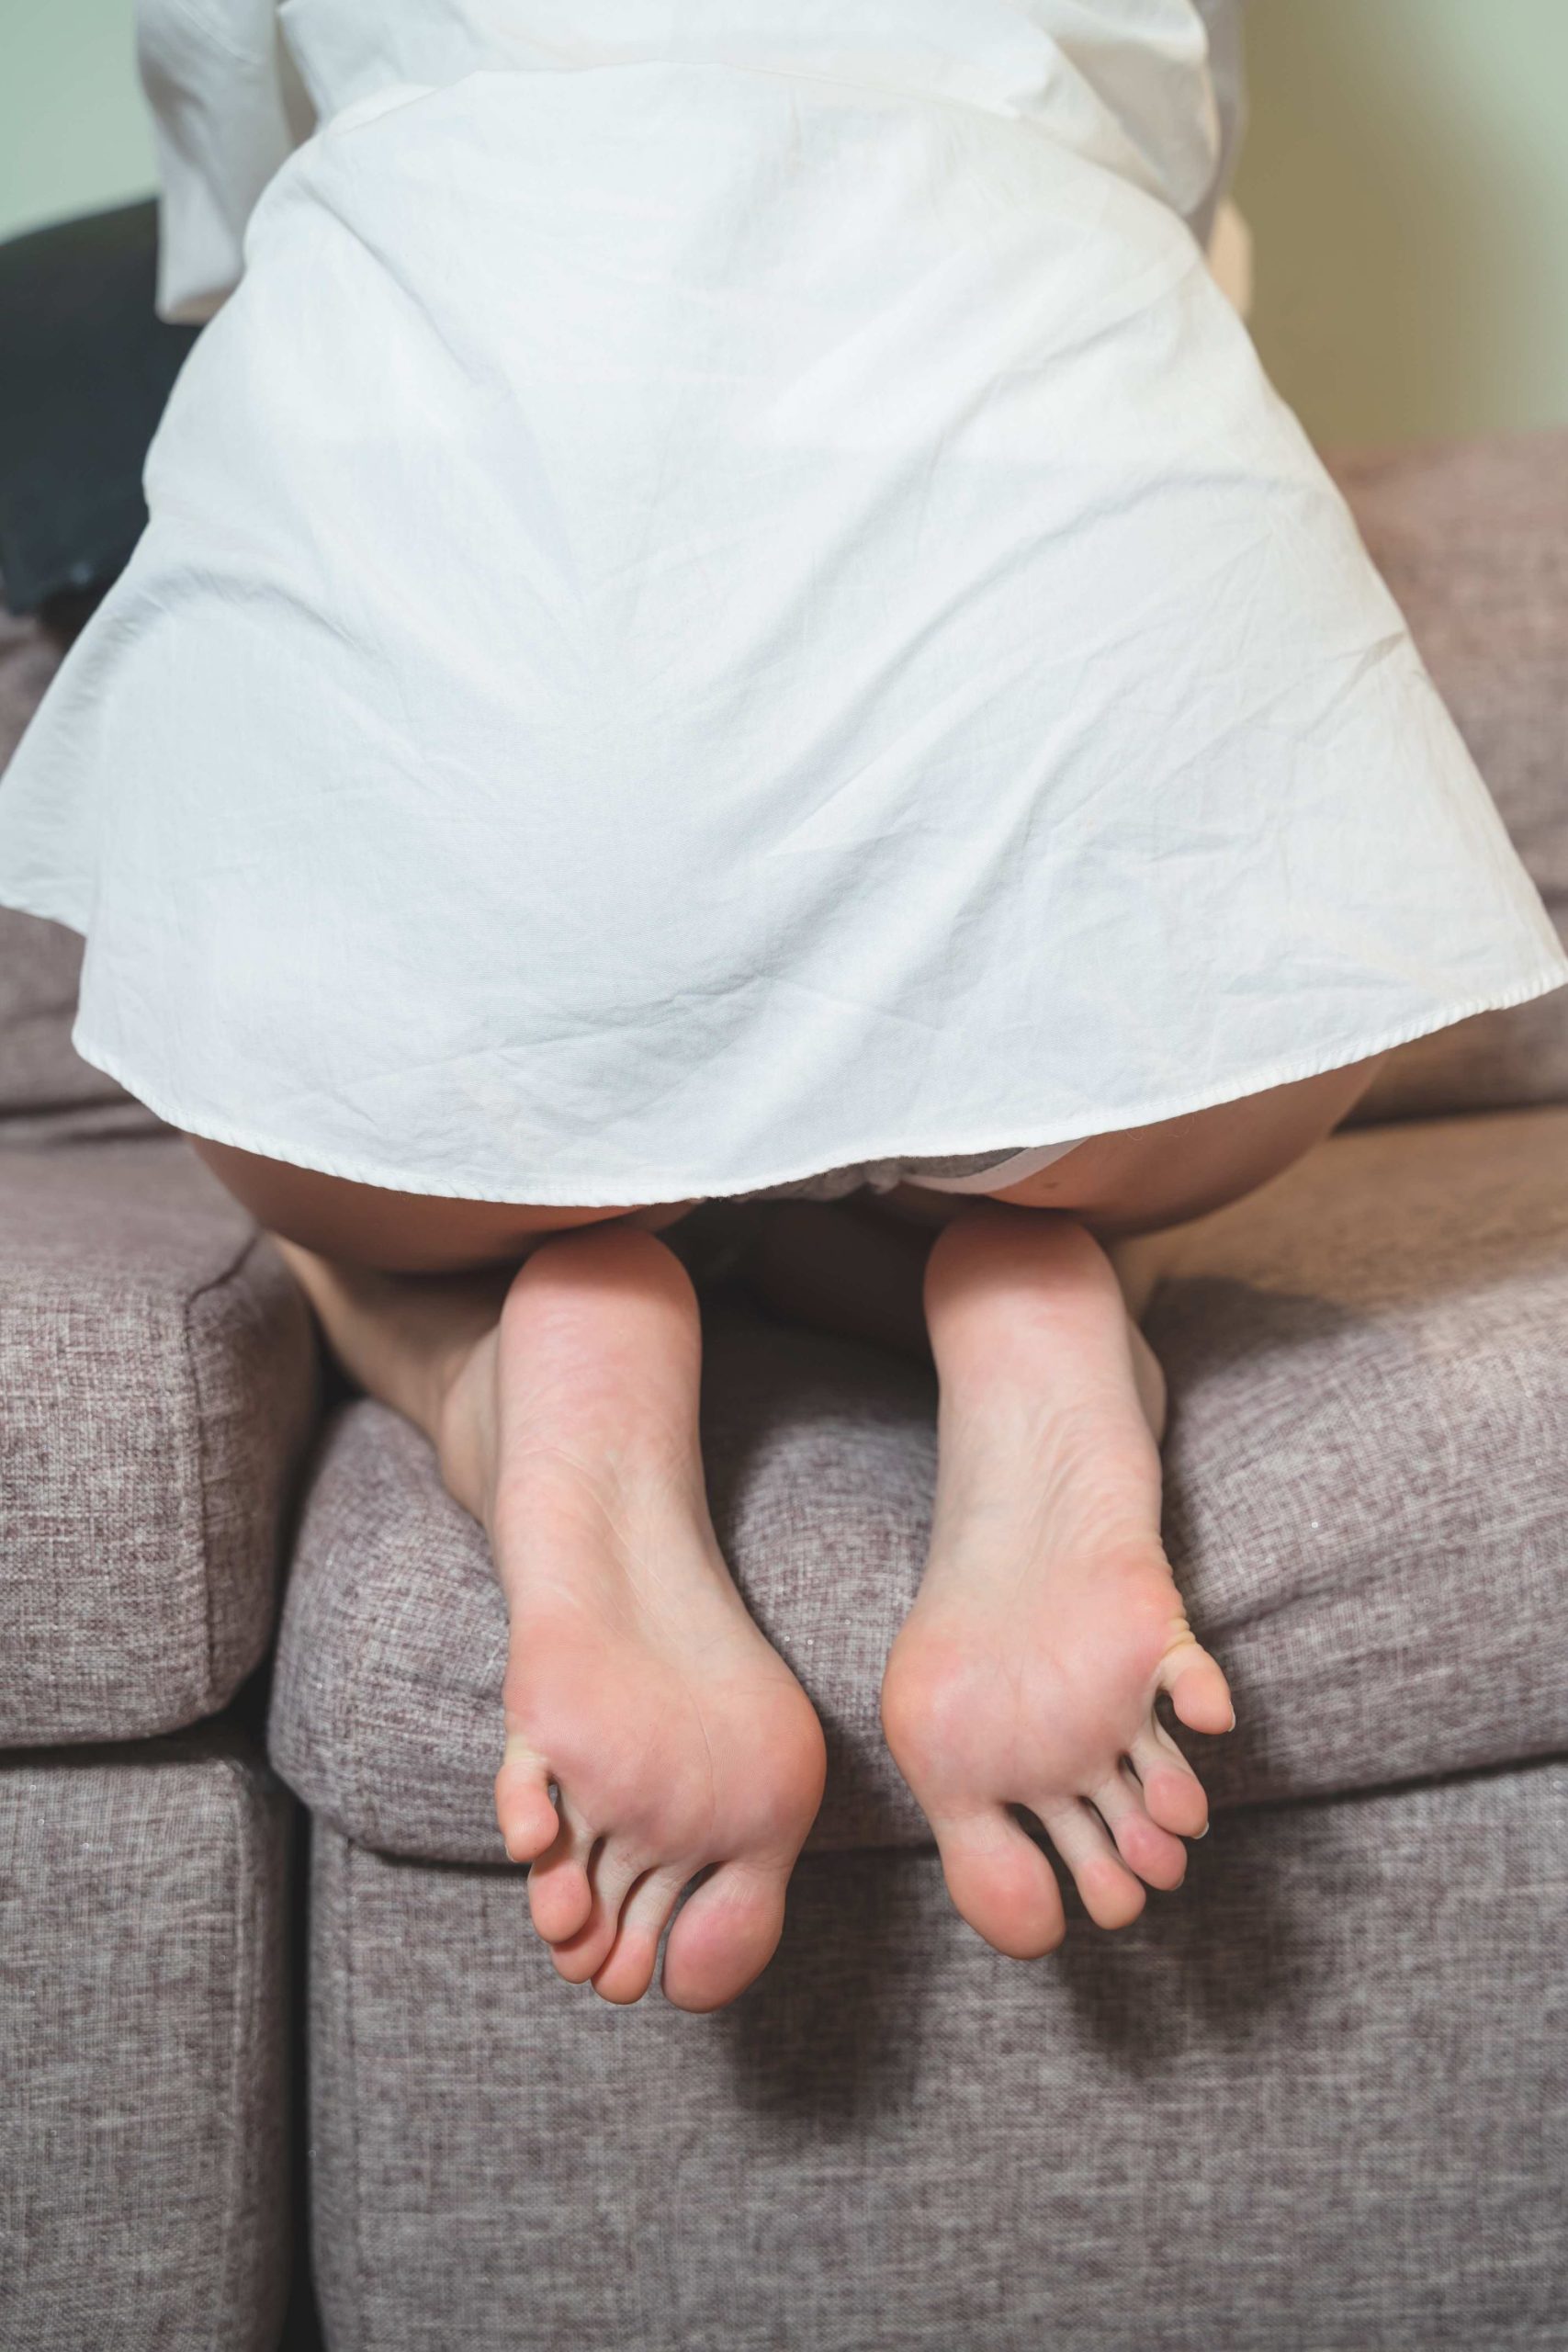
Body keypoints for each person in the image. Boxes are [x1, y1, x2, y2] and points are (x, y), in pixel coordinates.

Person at [2, 0, 1562, 2013]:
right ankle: (1039, 1280)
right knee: (1069, 1067)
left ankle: (512, 1368)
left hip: (472, 813)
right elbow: (1168, 157)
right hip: (1099, 747)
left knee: (327, 1149)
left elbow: (223, 147)